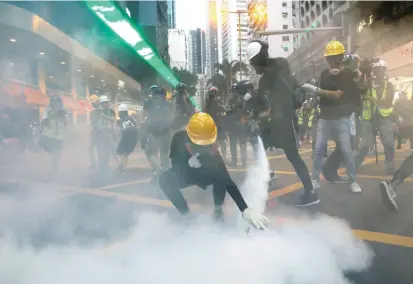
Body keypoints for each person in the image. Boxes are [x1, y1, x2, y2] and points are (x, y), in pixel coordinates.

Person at [158, 112, 269, 229]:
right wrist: (188, 164)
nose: (208, 149)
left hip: (206, 174)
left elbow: (227, 181)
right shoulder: (178, 140)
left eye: (209, 144)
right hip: (186, 174)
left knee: (220, 177)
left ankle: (218, 210)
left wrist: (245, 209)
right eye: (203, 145)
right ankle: (186, 215)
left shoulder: (212, 151)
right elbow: (177, 169)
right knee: (165, 180)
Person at [246, 40, 317, 206]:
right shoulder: (282, 63)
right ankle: (309, 191)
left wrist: (256, 116)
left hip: (281, 124)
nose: (253, 68)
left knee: (262, 147)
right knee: (291, 157)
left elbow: (265, 107)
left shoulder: (265, 80)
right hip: (284, 122)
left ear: (258, 59)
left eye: (253, 63)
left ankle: (270, 177)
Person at [301, 40, 362, 193]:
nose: (330, 60)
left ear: (340, 57)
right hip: (325, 116)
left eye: (334, 57)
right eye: (328, 57)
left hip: (341, 117)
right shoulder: (323, 74)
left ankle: (353, 181)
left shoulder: (347, 74)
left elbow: (338, 95)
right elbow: (322, 95)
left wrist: (316, 90)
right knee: (319, 149)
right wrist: (314, 99)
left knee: (347, 150)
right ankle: (314, 180)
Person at [356, 59, 395, 174]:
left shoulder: (390, 85)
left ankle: (390, 166)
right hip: (368, 118)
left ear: (385, 71)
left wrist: (375, 101)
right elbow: (360, 89)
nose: (379, 73)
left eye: (381, 70)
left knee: (389, 143)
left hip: (384, 117)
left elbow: (389, 101)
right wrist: (360, 75)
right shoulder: (368, 82)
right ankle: (355, 164)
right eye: (377, 70)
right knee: (366, 144)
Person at [141, 86, 173, 179]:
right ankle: (166, 171)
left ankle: (159, 168)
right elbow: (171, 117)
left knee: (149, 151)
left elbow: (144, 116)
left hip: (153, 131)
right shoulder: (168, 103)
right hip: (166, 132)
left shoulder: (148, 102)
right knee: (165, 153)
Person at [39, 95, 68, 172]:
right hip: (48, 136)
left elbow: (65, 123)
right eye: (54, 102)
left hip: (59, 137)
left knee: (57, 154)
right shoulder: (47, 110)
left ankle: (54, 168)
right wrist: (51, 116)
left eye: (57, 102)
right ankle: (44, 169)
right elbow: (44, 121)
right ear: (51, 103)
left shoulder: (63, 112)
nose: (55, 104)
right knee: (47, 153)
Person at [203, 86, 227, 160]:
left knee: (222, 141)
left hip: (218, 123)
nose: (214, 93)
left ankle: (222, 157)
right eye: (213, 92)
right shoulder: (209, 100)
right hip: (213, 124)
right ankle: (215, 157)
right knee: (214, 142)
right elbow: (220, 108)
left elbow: (222, 108)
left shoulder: (215, 100)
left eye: (215, 92)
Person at [116, 103, 138, 174]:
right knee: (124, 153)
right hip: (134, 137)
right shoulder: (131, 118)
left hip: (126, 136)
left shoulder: (119, 121)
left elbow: (119, 131)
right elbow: (136, 127)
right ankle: (121, 166)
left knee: (122, 153)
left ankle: (122, 168)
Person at [88, 94, 100, 169]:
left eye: (93, 103)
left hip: (100, 133)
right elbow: (92, 122)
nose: (92, 105)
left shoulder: (101, 111)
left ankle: (99, 164)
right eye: (92, 103)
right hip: (95, 132)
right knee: (90, 149)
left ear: (98, 102)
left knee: (100, 149)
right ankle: (94, 164)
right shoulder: (93, 112)